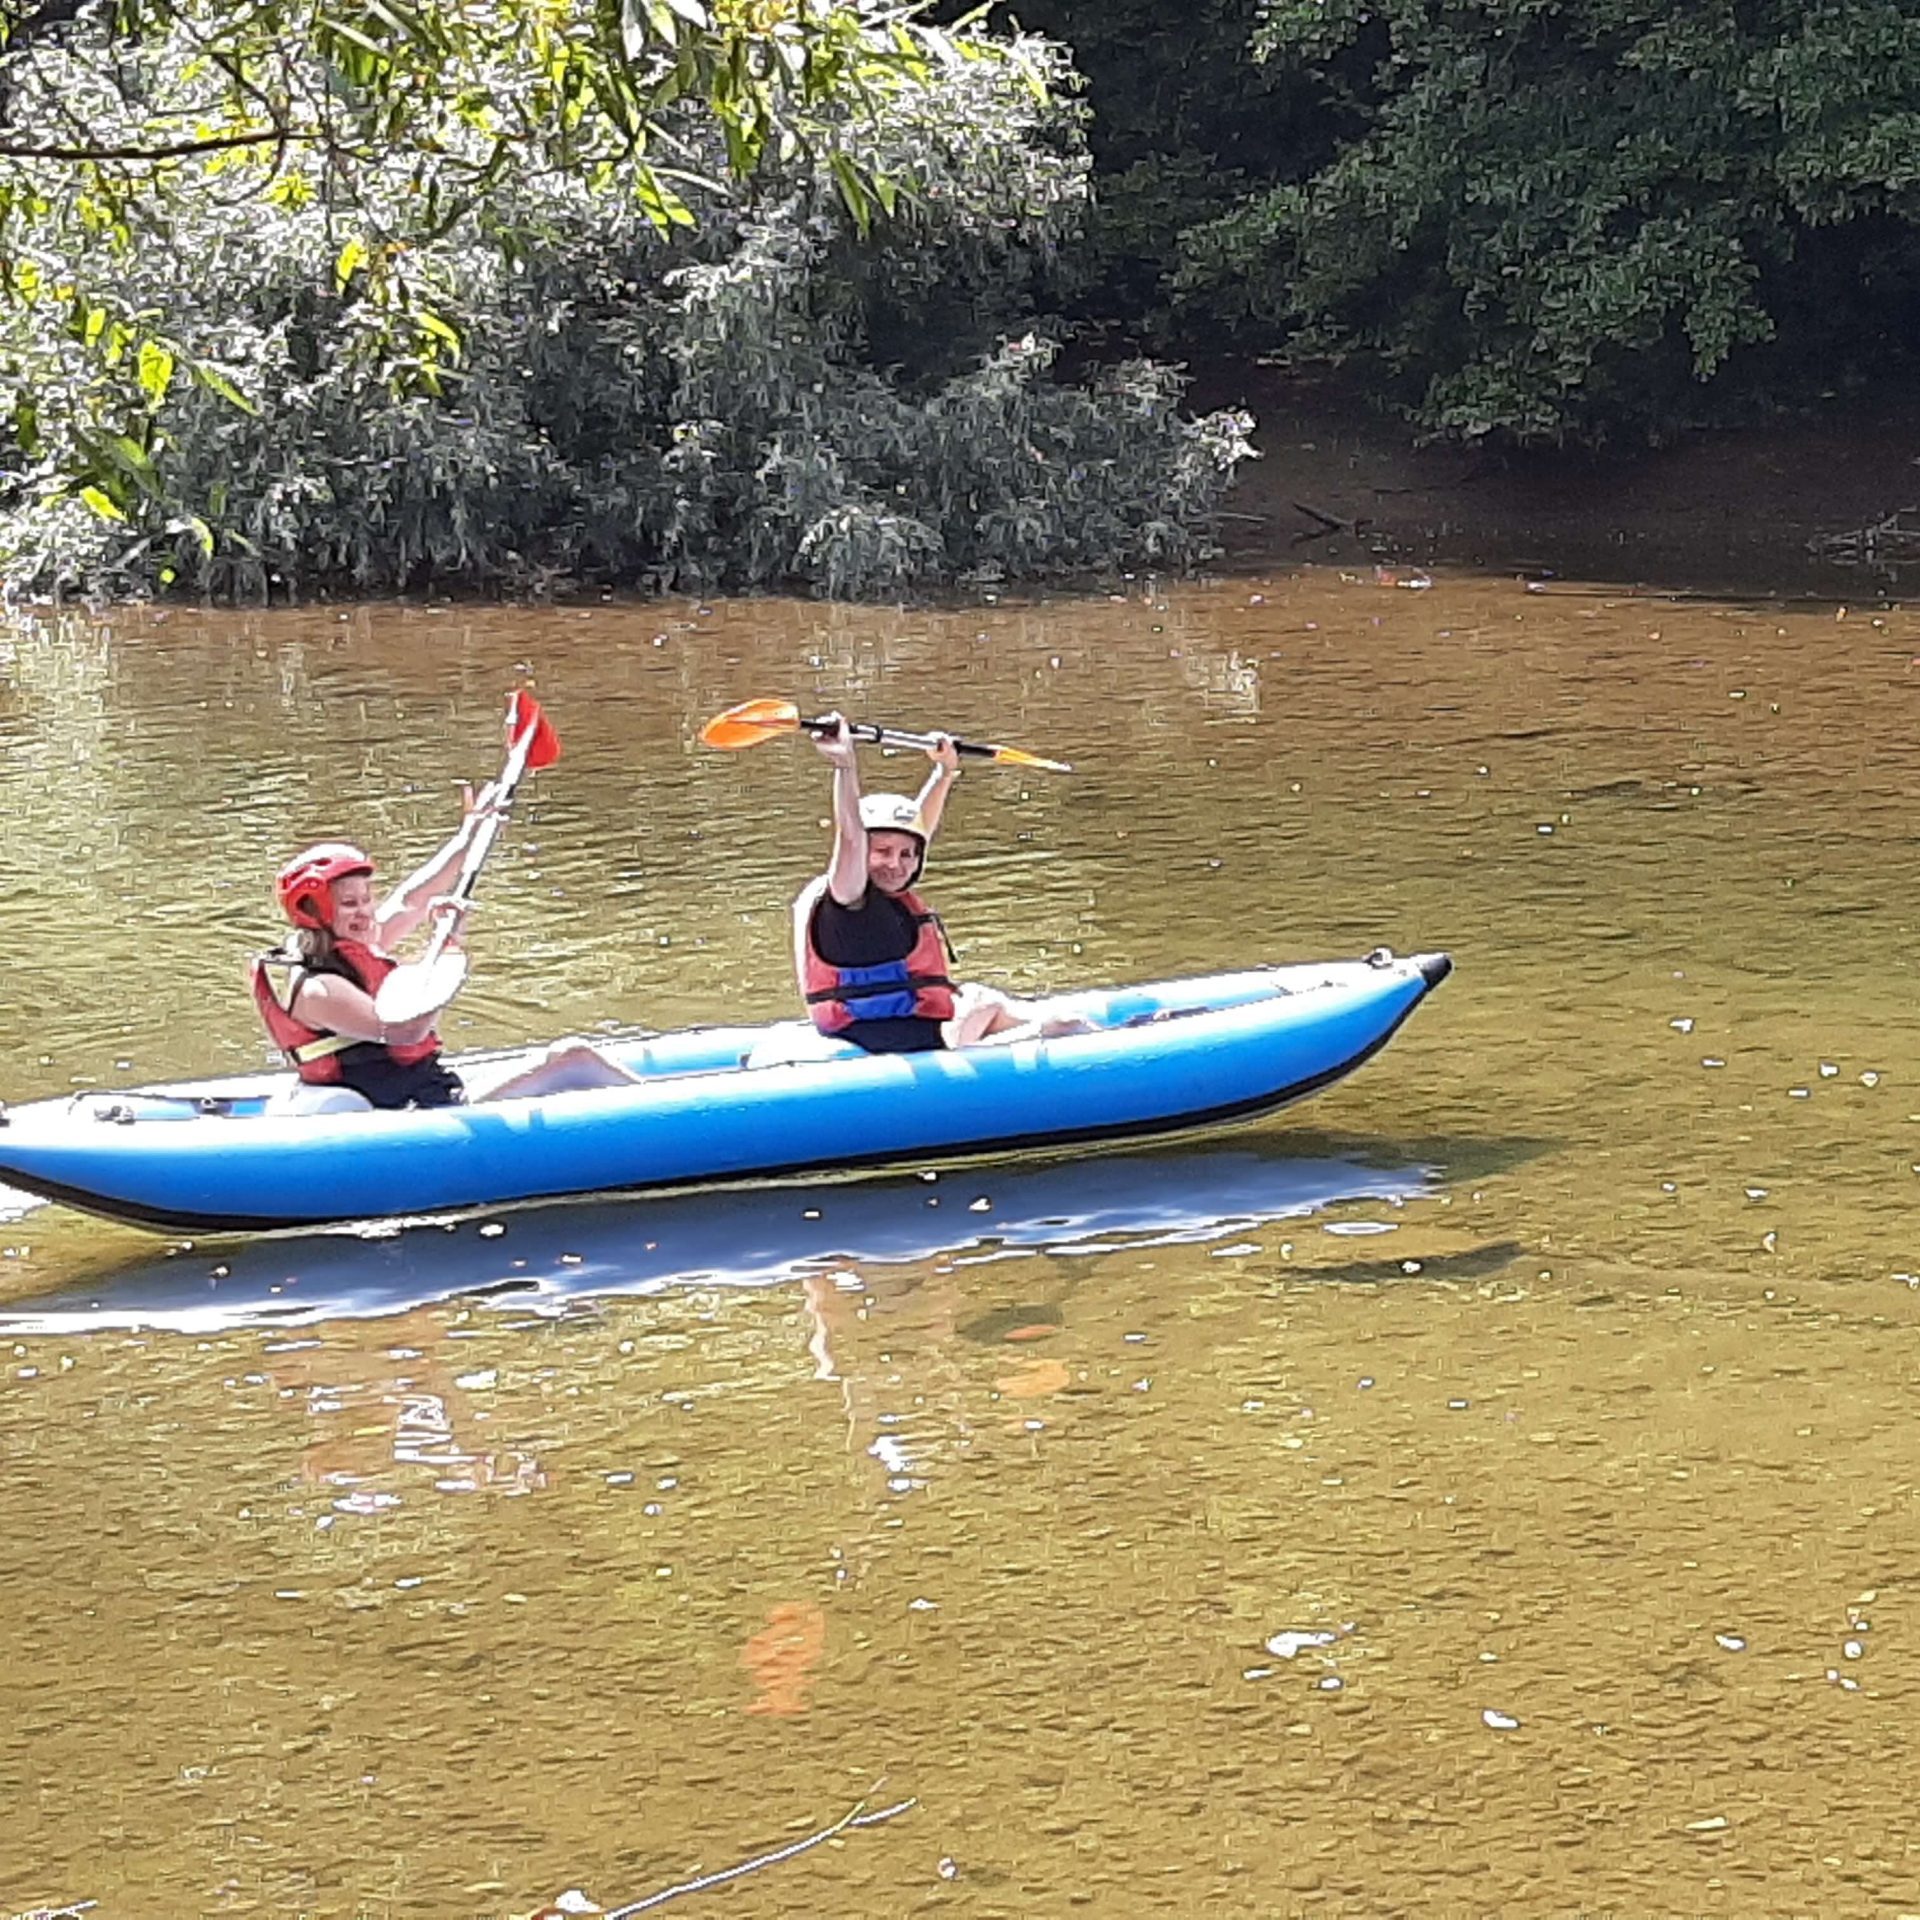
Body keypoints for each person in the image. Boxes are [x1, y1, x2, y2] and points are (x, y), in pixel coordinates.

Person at [253, 790, 639, 1109]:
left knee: (575, 1057)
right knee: (575, 1058)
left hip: (421, 1091)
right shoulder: (321, 989)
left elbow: (412, 900)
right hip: (419, 1110)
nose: (365, 911)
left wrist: (469, 836)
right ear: (314, 912)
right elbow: (405, 1030)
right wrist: (449, 946)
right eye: (349, 904)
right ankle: (685, 1123)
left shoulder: (352, 946)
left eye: (366, 899)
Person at [792, 713, 1071, 1053]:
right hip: (891, 1041)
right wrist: (844, 764)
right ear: (863, 851)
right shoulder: (848, 901)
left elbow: (918, 828)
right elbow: (850, 835)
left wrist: (944, 772)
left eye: (907, 855)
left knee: (987, 1001)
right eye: (882, 851)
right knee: (1062, 1027)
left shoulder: (887, 894)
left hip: (916, 1028)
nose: (896, 864)